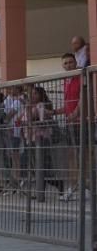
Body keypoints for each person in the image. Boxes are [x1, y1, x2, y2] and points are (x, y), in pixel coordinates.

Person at [55, 52, 81, 201]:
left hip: (81, 122)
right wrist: (53, 112)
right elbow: (67, 105)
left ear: (76, 62)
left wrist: (76, 113)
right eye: (65, 63)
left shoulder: (81, 77)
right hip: (70, 123)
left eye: (70, 62)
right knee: (72, 156)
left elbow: (82, 98)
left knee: (82, 155)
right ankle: (74, 187)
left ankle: (85, 186)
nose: (68, 65)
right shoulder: (66, 81)